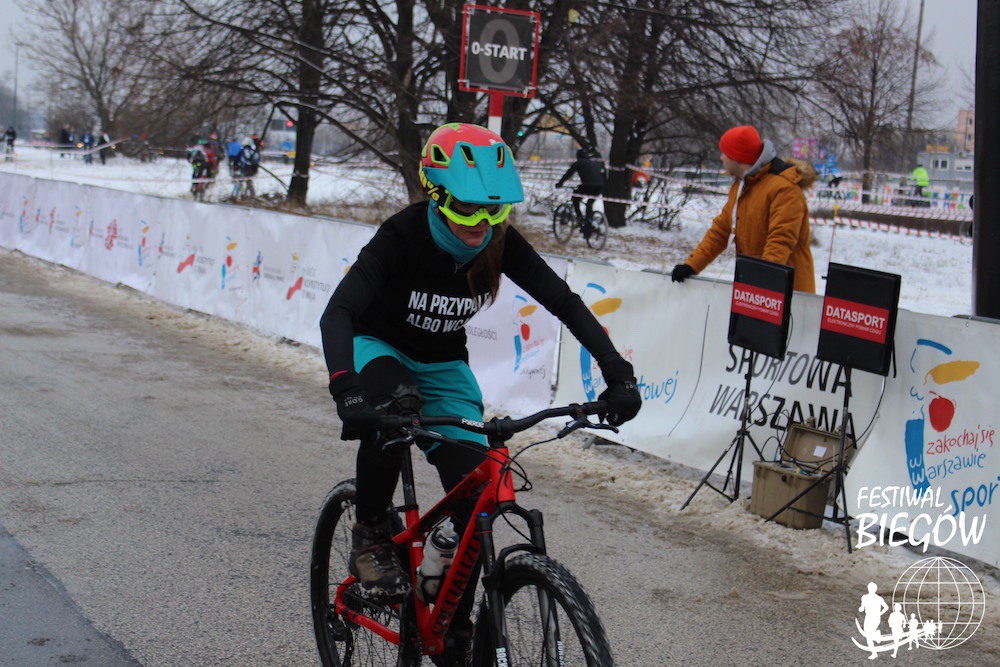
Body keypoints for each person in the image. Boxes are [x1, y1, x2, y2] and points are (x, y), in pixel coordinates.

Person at [319, 122, 641, 666]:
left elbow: (563, 302)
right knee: (393, 410)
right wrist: (346, 389)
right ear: (437, 196)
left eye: (494, 211)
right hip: (377, 347)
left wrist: (618, 372)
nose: (482, 224)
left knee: (478, 494)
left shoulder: (497, 239)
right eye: (468, 210)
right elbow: (339, 312)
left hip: (443, 363)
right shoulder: (403, 235)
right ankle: (371, 530)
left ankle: (454, 628)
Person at [671, 125, 816, 293]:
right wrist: (692, 265)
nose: (721, 157)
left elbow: (781, 240)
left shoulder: (784, 189)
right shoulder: (742, 186)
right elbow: (721, 231)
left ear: (738, 158)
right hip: (755, 288)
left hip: (787, 292)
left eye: (725, 153)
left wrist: (761, 281)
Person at [555, 145, 606, 237]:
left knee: (575, 198)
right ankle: (588, 225)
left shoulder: (578, 163)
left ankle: (580, 218)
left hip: (588, 185)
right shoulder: (593, 163)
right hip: (599, 187)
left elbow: (568, 174)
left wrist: (560, 183)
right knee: (589, 204)